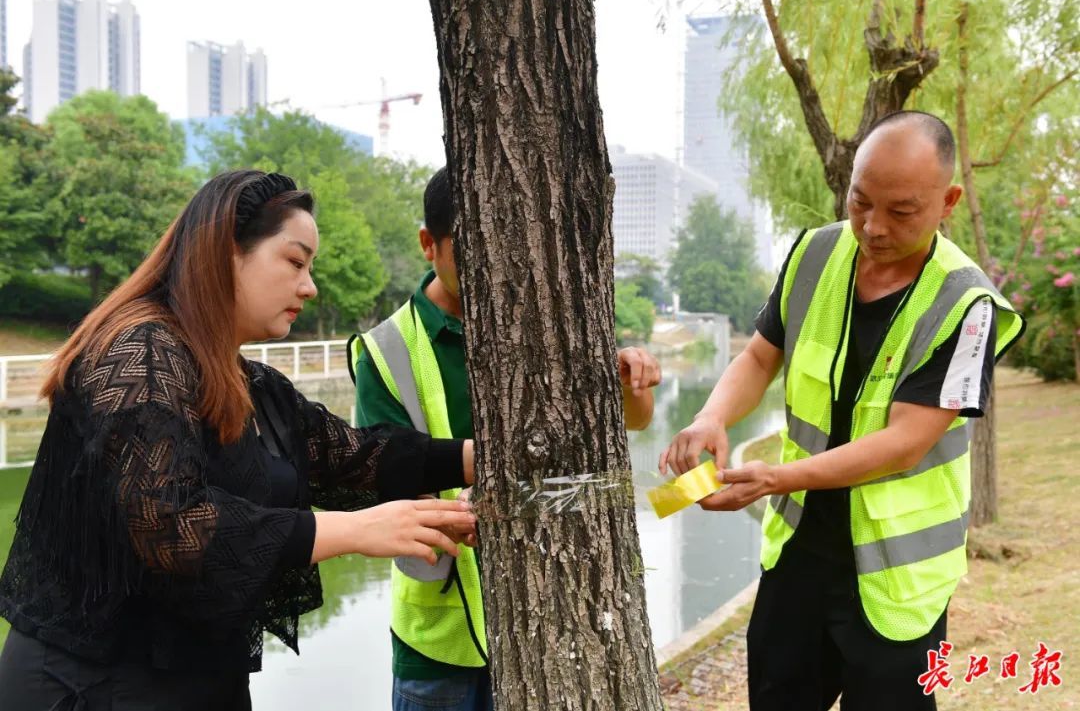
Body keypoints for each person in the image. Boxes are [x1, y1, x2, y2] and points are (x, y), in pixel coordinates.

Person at [0, 170, 479, 711]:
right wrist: (358, 529)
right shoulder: (142, 351)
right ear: (225, 251)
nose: (310, 285)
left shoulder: (244, 381)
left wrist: (476, 460)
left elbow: (354, 458)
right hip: (91, 684)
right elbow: (173, 526)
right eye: (296, 262)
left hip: (197, 676)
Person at [658, 111, 1025, 711]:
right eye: (860, 201)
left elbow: (906, 440)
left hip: (898, 574)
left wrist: (774, 476)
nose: (873, 227)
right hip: (801, 548)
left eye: (901, 211)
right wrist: (712, 417)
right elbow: (757, 357)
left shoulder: (968, 304)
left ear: (948, 200)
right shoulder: (815, 253)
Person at [349, 166, 662, 711]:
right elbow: (381, 477)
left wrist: (631, 378)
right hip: (437, 642)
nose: (490, 268)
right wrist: (450, 512)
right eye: (469, 252)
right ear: (429, 244)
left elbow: (632, 422)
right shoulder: (387, 349)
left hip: (548, 623)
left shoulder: (544, 320)